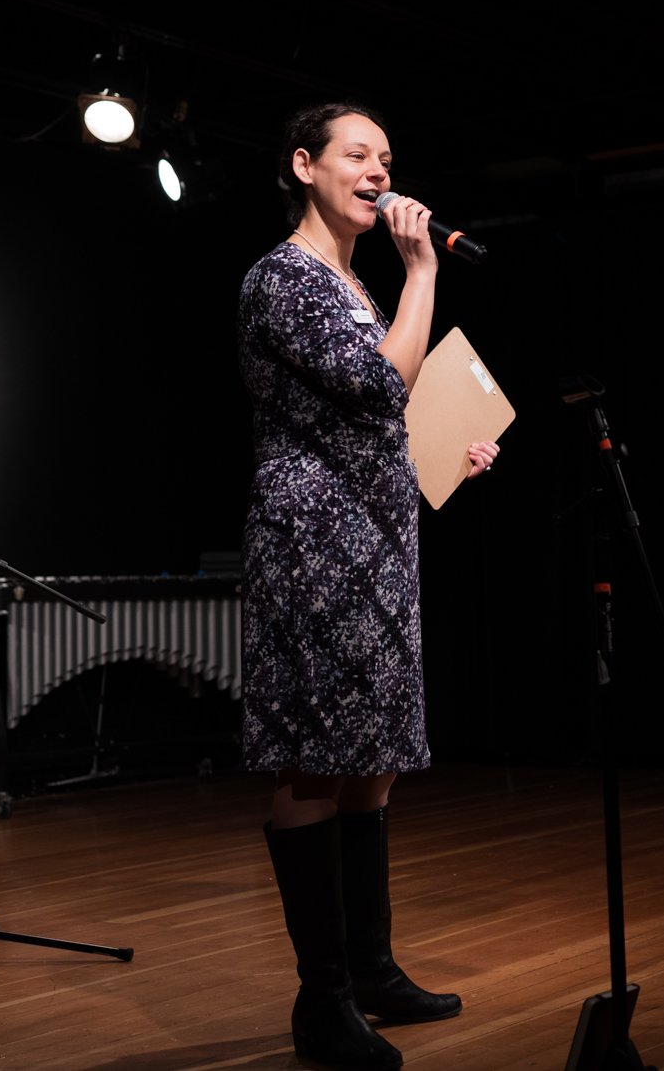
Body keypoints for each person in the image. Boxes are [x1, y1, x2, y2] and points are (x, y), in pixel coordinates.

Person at [236, 102, 498, 1071]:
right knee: (316, 758)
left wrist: (443, 449)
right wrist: (424, 271)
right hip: (313, 544)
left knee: (372, 757)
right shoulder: (282, 279)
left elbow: (379, 413)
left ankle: (372, 970)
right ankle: (323, 1000)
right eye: (358, 154)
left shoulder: (352, 285)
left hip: (380, 543)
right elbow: (380, 385)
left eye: (387, 157)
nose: (380, 172)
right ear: (305, 165)